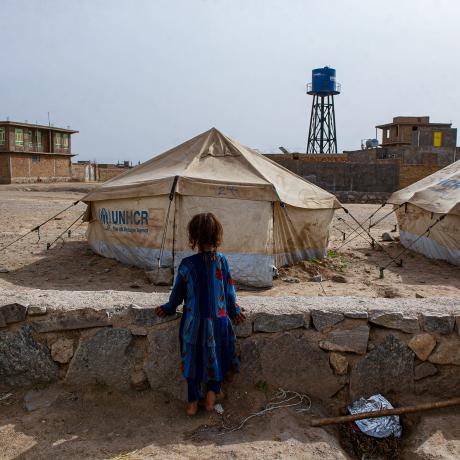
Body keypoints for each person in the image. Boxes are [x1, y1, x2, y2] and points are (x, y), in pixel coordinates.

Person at [155, 212, 246, 416]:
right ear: (217, 235)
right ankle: (212, 398)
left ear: (193, 237)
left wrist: (168, 308)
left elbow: (177, 296)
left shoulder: (187, 265)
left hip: (194, 324)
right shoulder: (222, 261)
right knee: (218, 358)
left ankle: (192, 403)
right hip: (219, 322)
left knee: (192, 361)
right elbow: (229, 291)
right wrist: (235, 311)